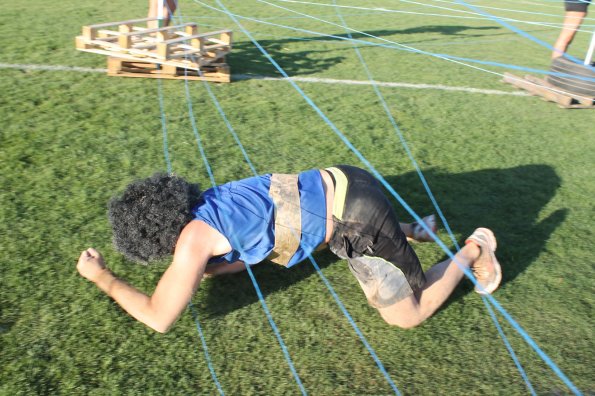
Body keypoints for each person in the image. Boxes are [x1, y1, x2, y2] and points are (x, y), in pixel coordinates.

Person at [76, 166, 502, 332]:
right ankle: (408, 229)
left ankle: (475, 249)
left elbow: (159, 317)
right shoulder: (206, 205)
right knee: (361, 229)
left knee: (407, 315)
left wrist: (103, 278)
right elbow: (243, 259)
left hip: (356, 218)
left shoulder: (193, 241)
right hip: (345, 180)